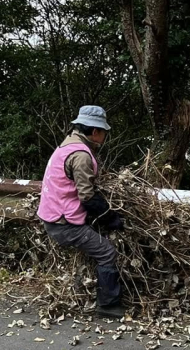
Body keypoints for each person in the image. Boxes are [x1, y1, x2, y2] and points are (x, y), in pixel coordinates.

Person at [38, 105, 125, 318]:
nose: (104, 136)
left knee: (96, 245)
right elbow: (87, 197)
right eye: (104, 132)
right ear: (95, 132)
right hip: (64, 223)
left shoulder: (65, 146)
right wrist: (113, 219)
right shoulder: (81, 155)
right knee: (107, 252)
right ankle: (108, 306)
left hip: (53, 216)